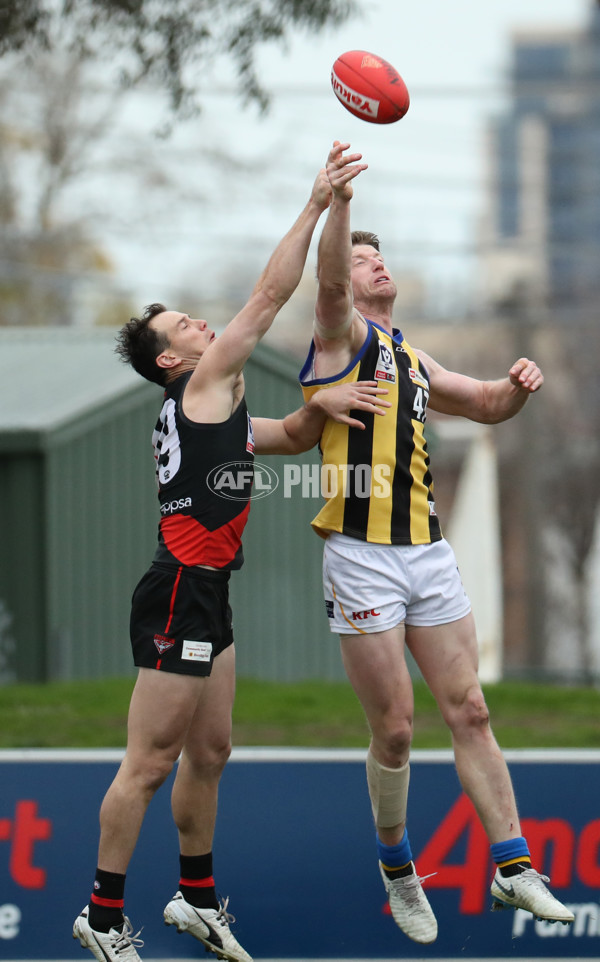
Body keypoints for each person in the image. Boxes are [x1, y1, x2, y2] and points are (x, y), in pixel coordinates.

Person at [72, 162, 390, 962]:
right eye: (182, 323)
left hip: (208, 592)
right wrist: (318, 203)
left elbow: (278, 439)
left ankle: (197, 899)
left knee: (211, 752)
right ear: (172, 360)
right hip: (180, 591)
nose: (200, 324)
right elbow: (267, 298)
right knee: (148, 763)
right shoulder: (204, 383)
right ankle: (102, 918)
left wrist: (320, 407)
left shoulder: (216, 401)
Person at [298, 141, 575, 945]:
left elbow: (483, 404)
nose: (376, 266)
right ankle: (396, 868)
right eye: (362, 259)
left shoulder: (412, 358)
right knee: (395, 728)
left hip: (426, 551)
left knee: (473, 708)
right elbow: (325, 280)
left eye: (380, 257)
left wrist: (517, 389)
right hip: (360, 552)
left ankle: (515, 867)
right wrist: (339, 204)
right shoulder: (338, 337)